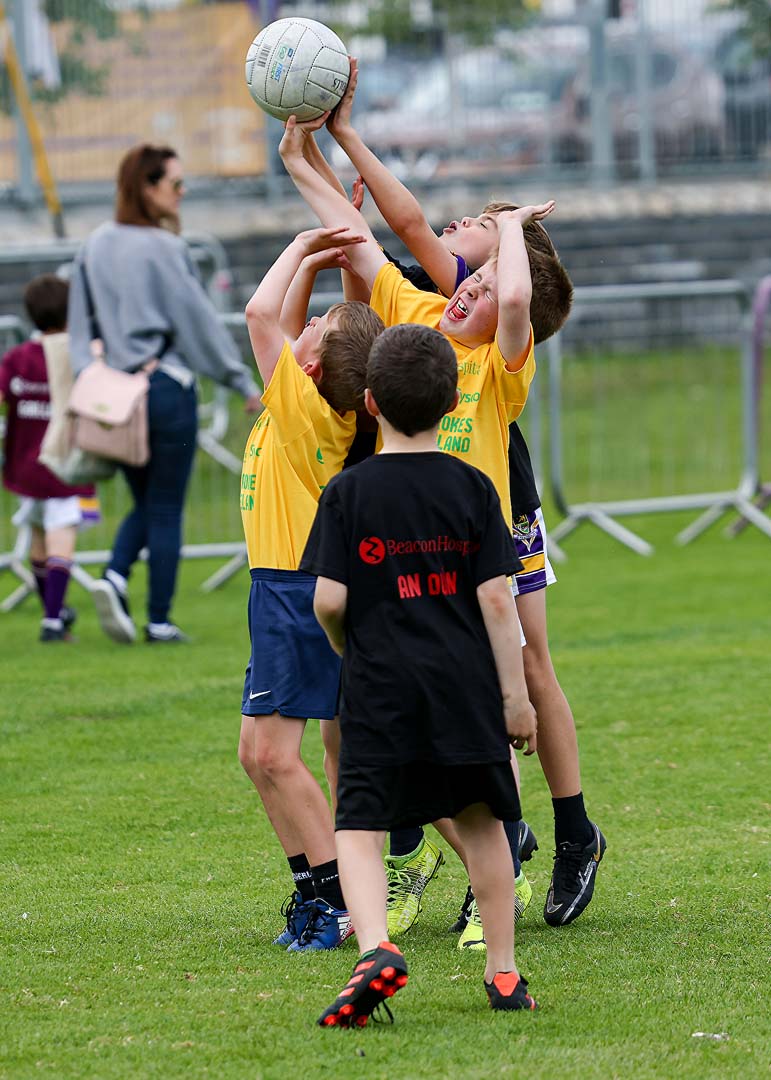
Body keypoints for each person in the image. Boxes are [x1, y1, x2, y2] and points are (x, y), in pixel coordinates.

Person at [326, 67, 606, 935]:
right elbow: (398, 222)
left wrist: (508, 231)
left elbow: (507, 289)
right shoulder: (449, 292)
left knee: (525, 669)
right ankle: (482, 849)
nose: (458, 229)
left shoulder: (486, 295)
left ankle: (567, 834)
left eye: (477, 229)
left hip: (496, 490)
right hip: (438, 484)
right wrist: (341, 134)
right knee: (455, 672)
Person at [302, 323, 538, 1027]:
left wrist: (351, 646)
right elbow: (497, 598)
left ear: (368, 403)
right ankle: (501, 973)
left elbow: (329, 600)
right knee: (483, 821)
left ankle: (375, 946)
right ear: (453, 398)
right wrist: (515, 698)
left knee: (360, 823)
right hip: (463, 685)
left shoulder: (346, 494)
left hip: (378, 684)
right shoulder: (471, 486)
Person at [237, 223, 385, 952]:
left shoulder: (307, 414)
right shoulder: (316, 404)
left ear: (316, 367)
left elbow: (262, 318)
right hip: (281, 588)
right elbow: (292, 325)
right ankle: (313, 893)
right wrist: (329, 266)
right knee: (255, 755)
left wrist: (298, 246)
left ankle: (339, 900)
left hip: (293, 592)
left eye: (319, 330)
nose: (308, 325)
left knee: (274, 756)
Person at [67, 143, 262, 644]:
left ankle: (114, 576)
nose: (182, 193)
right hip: (165, 389)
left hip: (115, 395)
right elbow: (196, 324)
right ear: (147, 188)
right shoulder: (165, 248)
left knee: (145, 501)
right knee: (166, 506)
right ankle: (158, 618)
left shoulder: (94, 246)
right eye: (175, 184)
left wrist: (91, 376)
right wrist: (239, 379)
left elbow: (77, 327)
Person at [0, 274, 95, 643]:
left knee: (38, 542)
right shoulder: (77, 355)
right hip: (66, 466)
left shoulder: (17, 358)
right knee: (60, 541)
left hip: (26, 466)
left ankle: (53, 611)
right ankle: (54, 619)